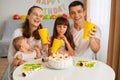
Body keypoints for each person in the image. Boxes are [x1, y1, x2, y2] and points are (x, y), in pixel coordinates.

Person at [6, 6, 48, 80]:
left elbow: (44, 59)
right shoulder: (18, 32)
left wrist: (44, 48)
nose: (38, 17)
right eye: (35, 14)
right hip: (20, 70)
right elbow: (10, 57)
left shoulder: (43, 34)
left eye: (41, 16)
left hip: (35, 69)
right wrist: (20, 63)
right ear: (28, 16)